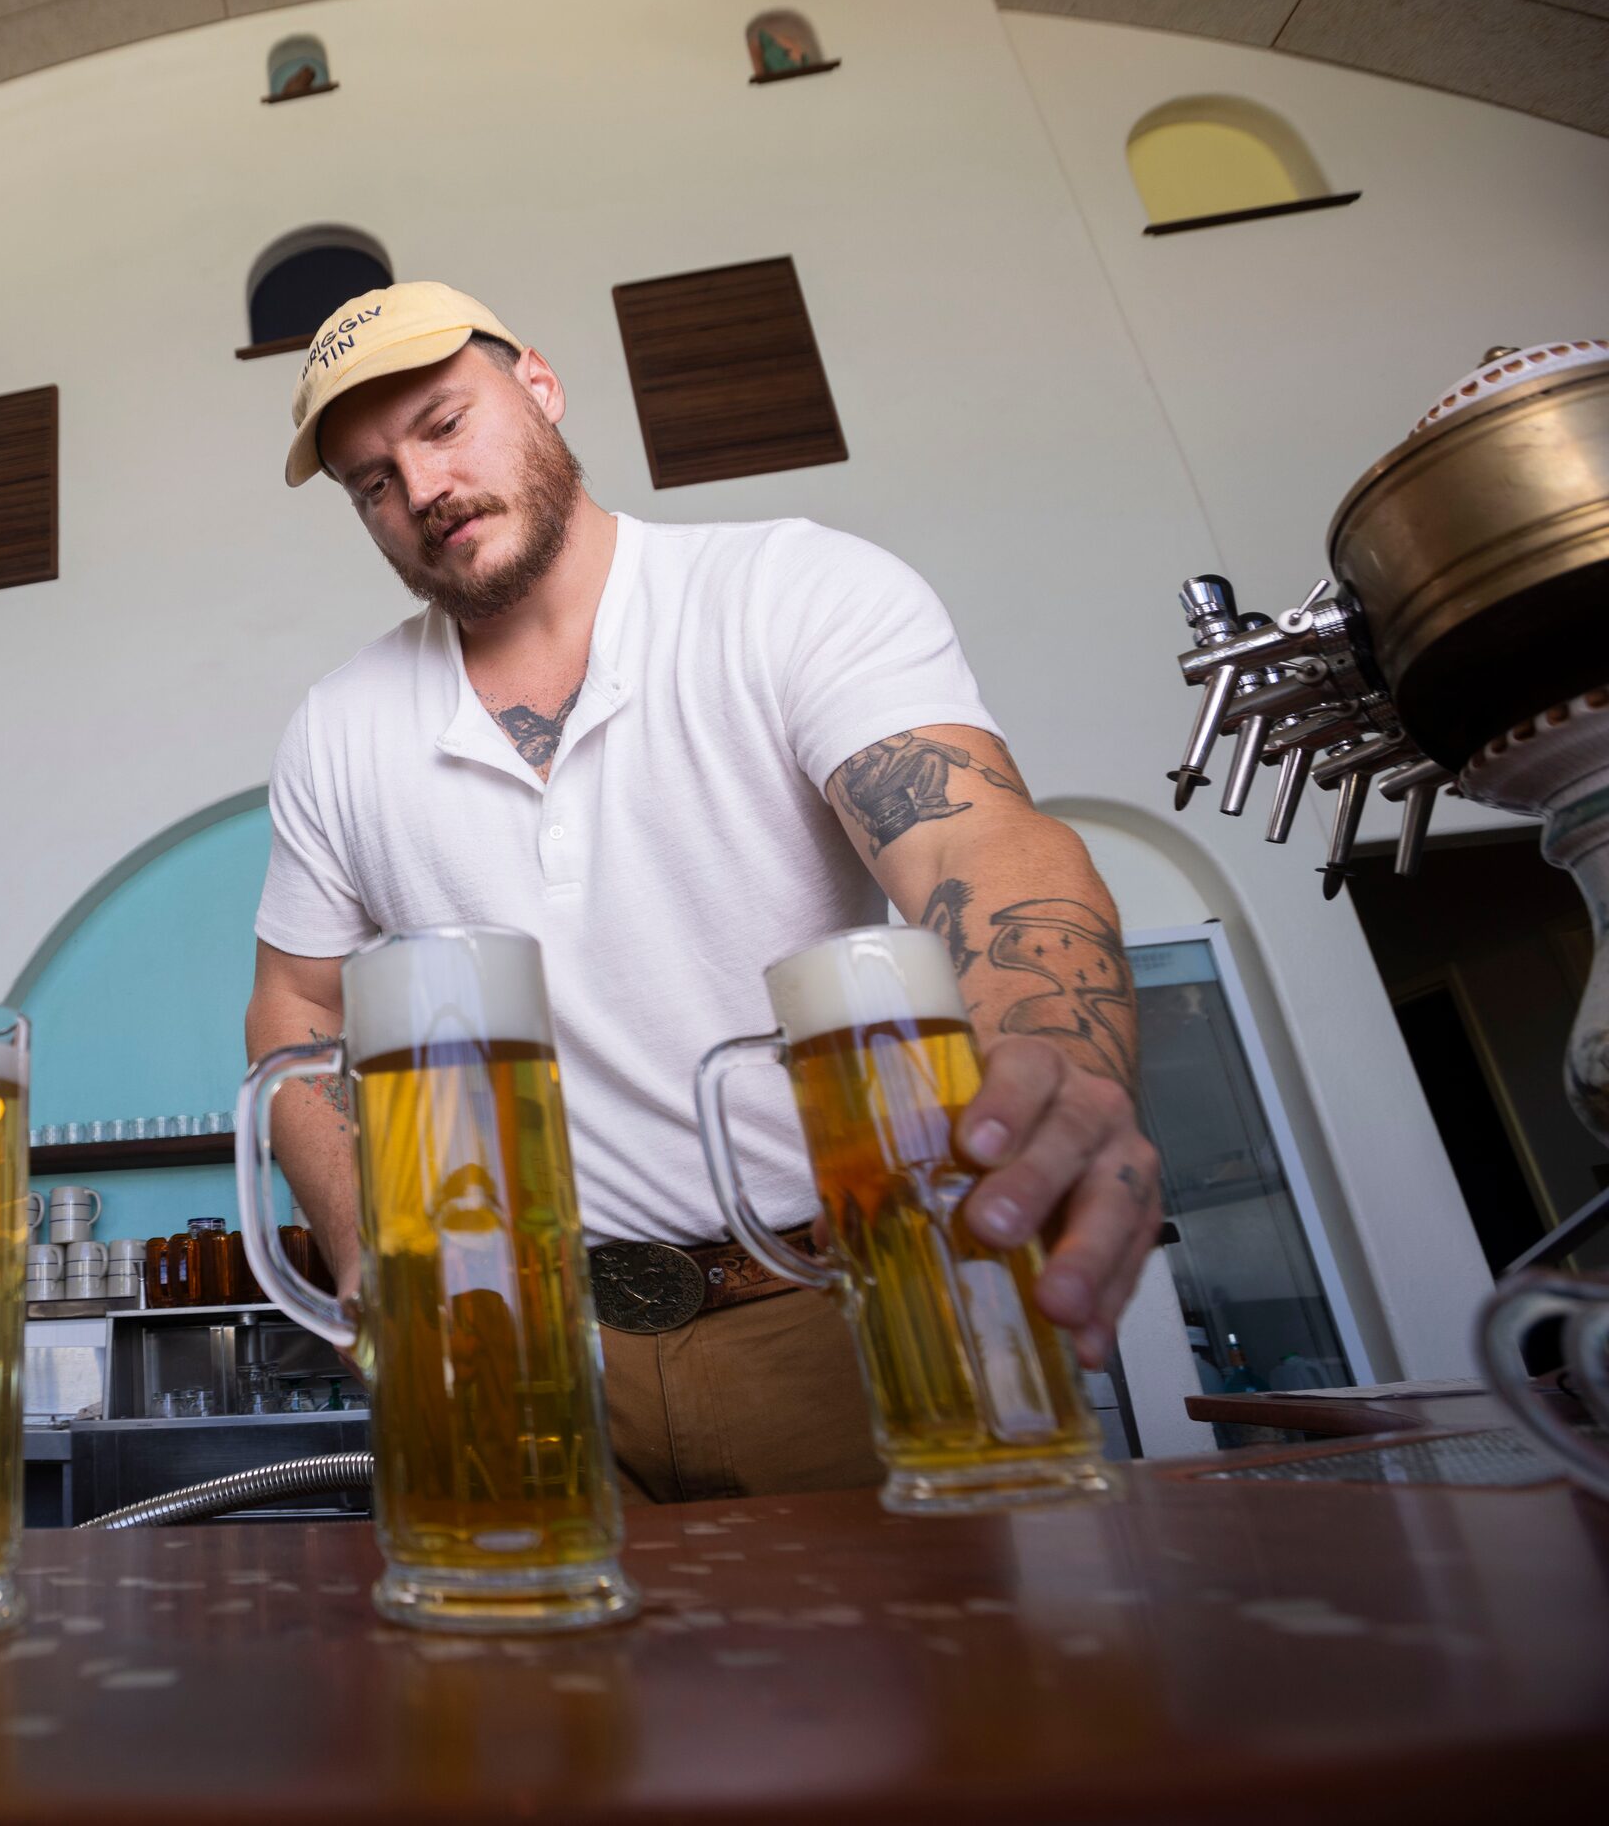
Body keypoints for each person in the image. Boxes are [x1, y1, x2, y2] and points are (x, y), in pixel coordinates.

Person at [246, 282, 1163, 1503]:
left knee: (938, 1683)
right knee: (551, 1690)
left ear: (539, 385)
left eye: (442, 422)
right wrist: (365, 1252)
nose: (419, 491)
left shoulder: (787, 591)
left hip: (838, 1308)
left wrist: (1059, 1054)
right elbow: (294, 1006)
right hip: (532, 1349)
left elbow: (966, 843)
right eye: (370, 481)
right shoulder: (337, 728)